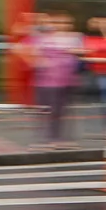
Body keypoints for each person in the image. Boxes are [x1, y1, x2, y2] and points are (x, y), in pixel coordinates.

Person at [34, 10, 83, 146]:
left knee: (62, 110)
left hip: (67, 79)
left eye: (66, 23)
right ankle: (50, 137)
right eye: (57, 22)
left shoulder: (75, 37)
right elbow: (32, 51)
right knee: (51, 110)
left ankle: (59, 137)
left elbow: (81, 52)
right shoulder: (43, 37)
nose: (62, 25)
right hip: (48, 81)